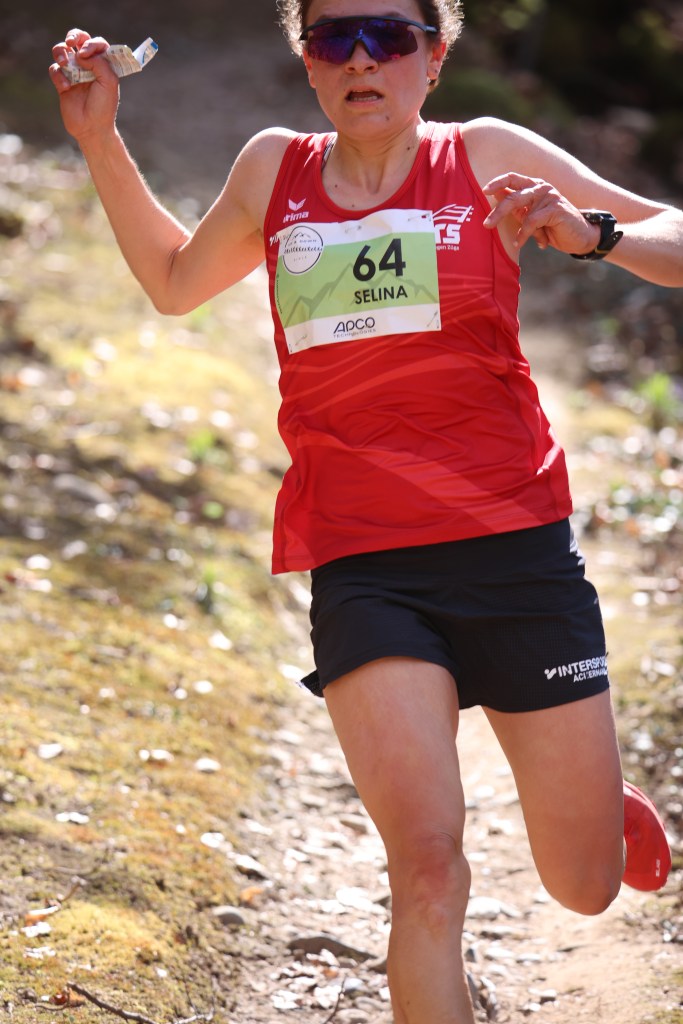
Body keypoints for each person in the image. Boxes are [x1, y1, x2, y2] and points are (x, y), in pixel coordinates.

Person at [49, 3, 679, 1021]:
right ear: (305, 62)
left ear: (434, 57)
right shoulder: (274, 171)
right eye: (330, 38)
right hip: (365, 566)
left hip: (515, 553)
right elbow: (171, 283)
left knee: (583, 886)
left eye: (386, 35)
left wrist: (591, 234)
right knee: (427, 869)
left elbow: (675, 233)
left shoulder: (482, 154)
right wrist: (98, 139)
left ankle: (597, 807)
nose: (358, 58)